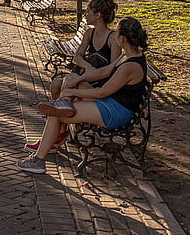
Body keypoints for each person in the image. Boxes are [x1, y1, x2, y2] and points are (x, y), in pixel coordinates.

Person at [18, 17, 151, 174]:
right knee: (72, 86)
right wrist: (79, 79)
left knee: (56, 115)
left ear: (122, 38)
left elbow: (102, 92)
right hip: (111, 103)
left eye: (117, 34)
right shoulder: (127, 55)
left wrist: (72, 91)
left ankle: (38, 161)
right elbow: (104, 71)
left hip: (116, 111)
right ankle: (63, 105)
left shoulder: (130, 65)